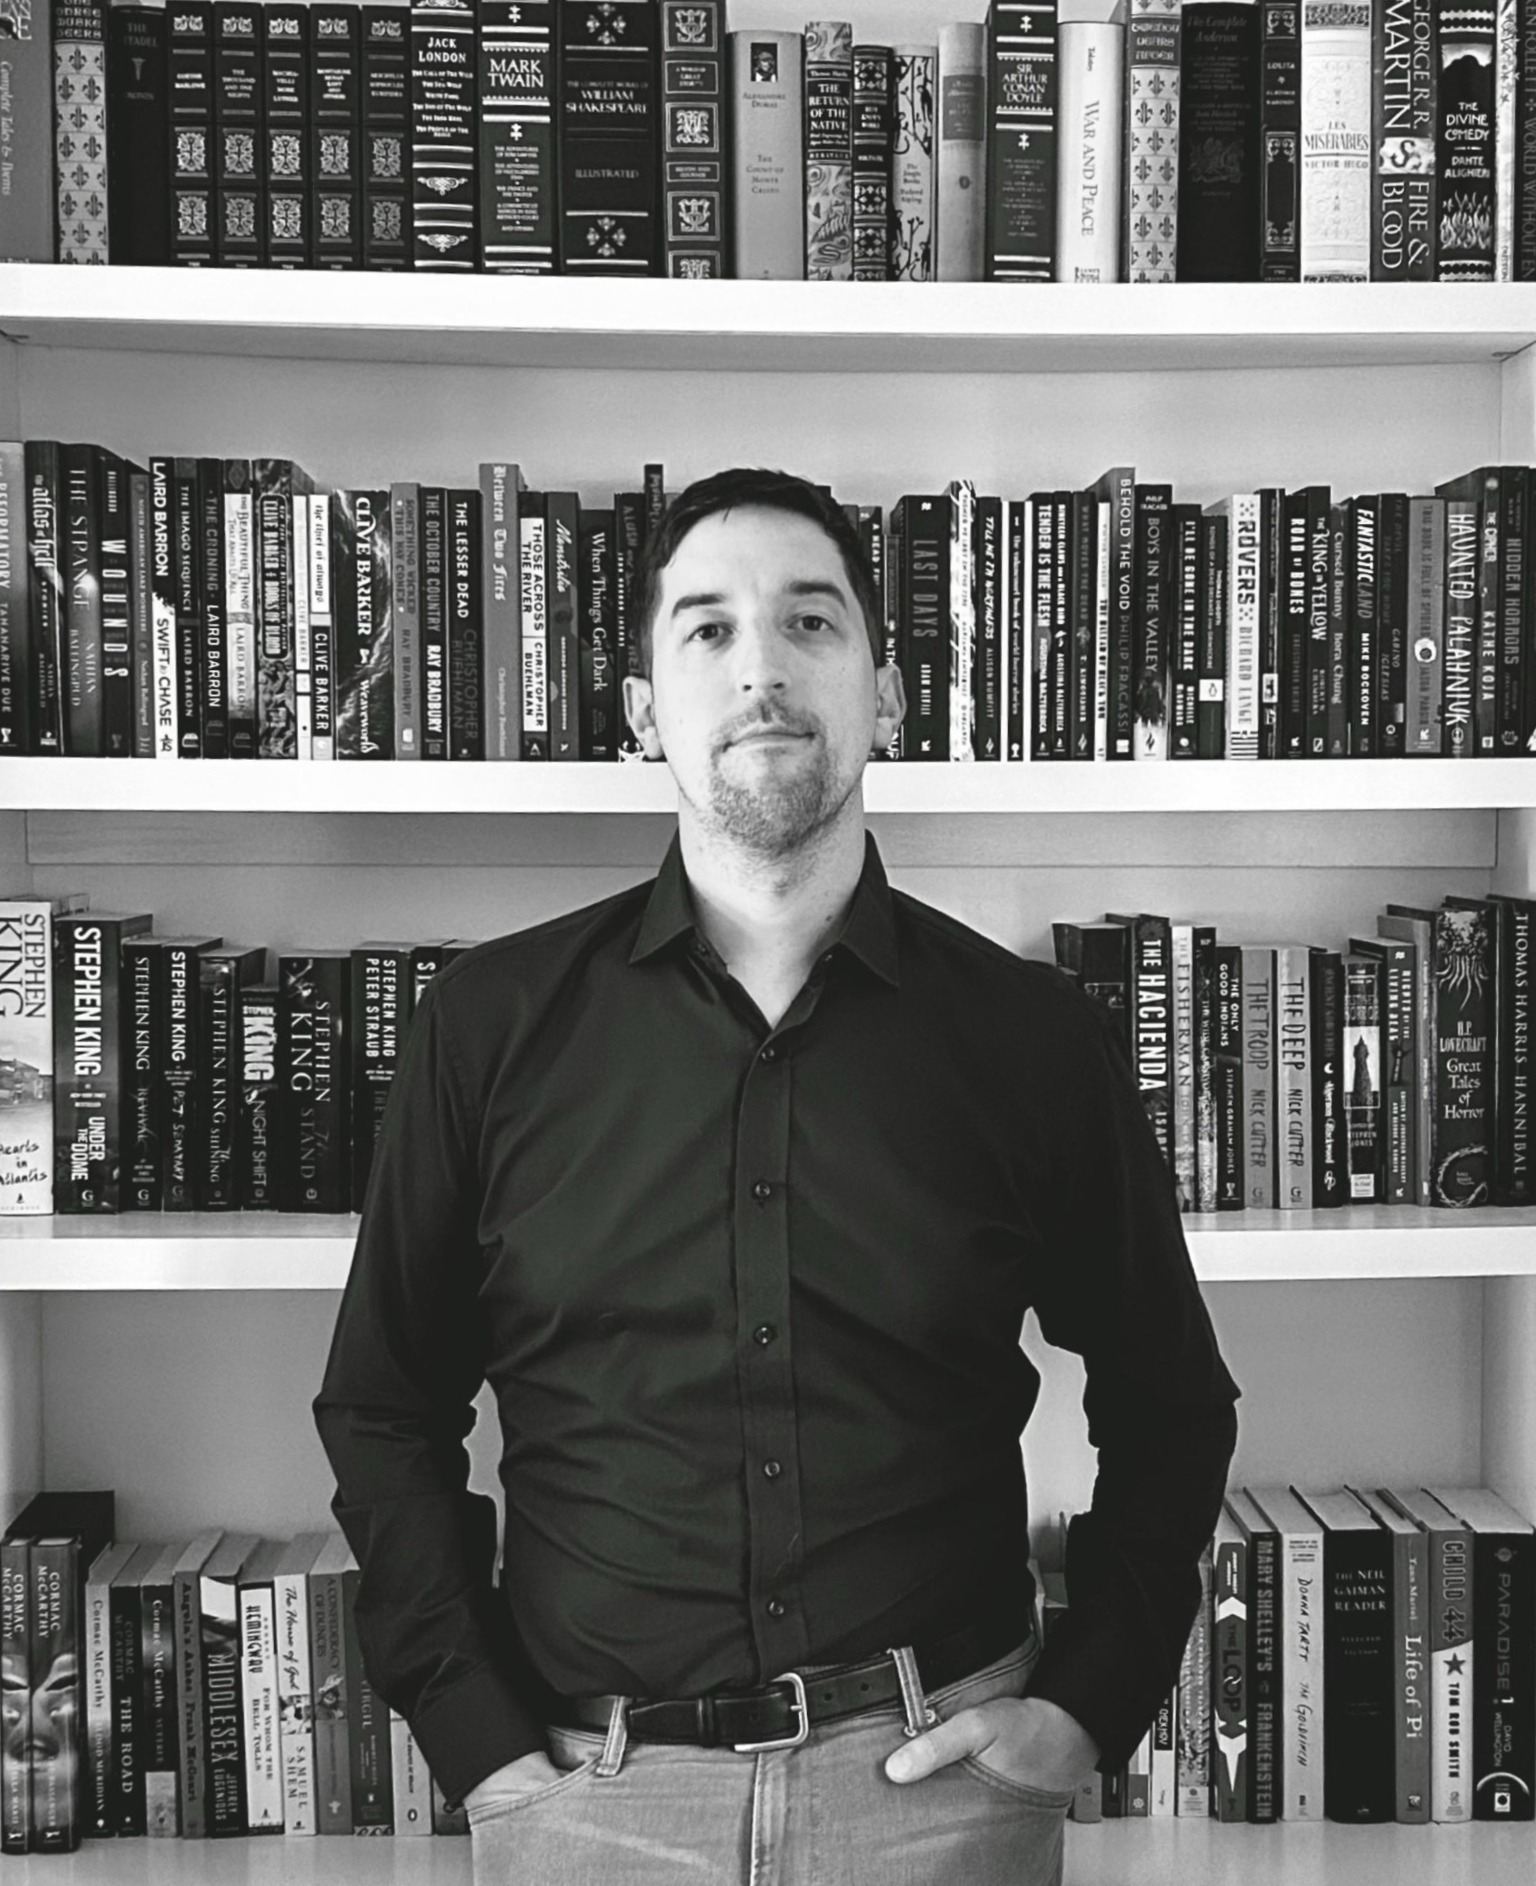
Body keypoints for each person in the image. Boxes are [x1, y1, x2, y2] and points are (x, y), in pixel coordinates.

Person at [314, 467, 1240, 1884]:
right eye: (709, 630)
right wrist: (478, 1741)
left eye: (812, 622)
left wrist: (1085, 1707)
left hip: (943, 1790)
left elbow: (1171, 1403)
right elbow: (385, 1405)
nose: (763, 670)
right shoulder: (485, 1030)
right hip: (586, 1799)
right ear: (643, 713)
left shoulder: (1035, 1040)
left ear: (887, 693)